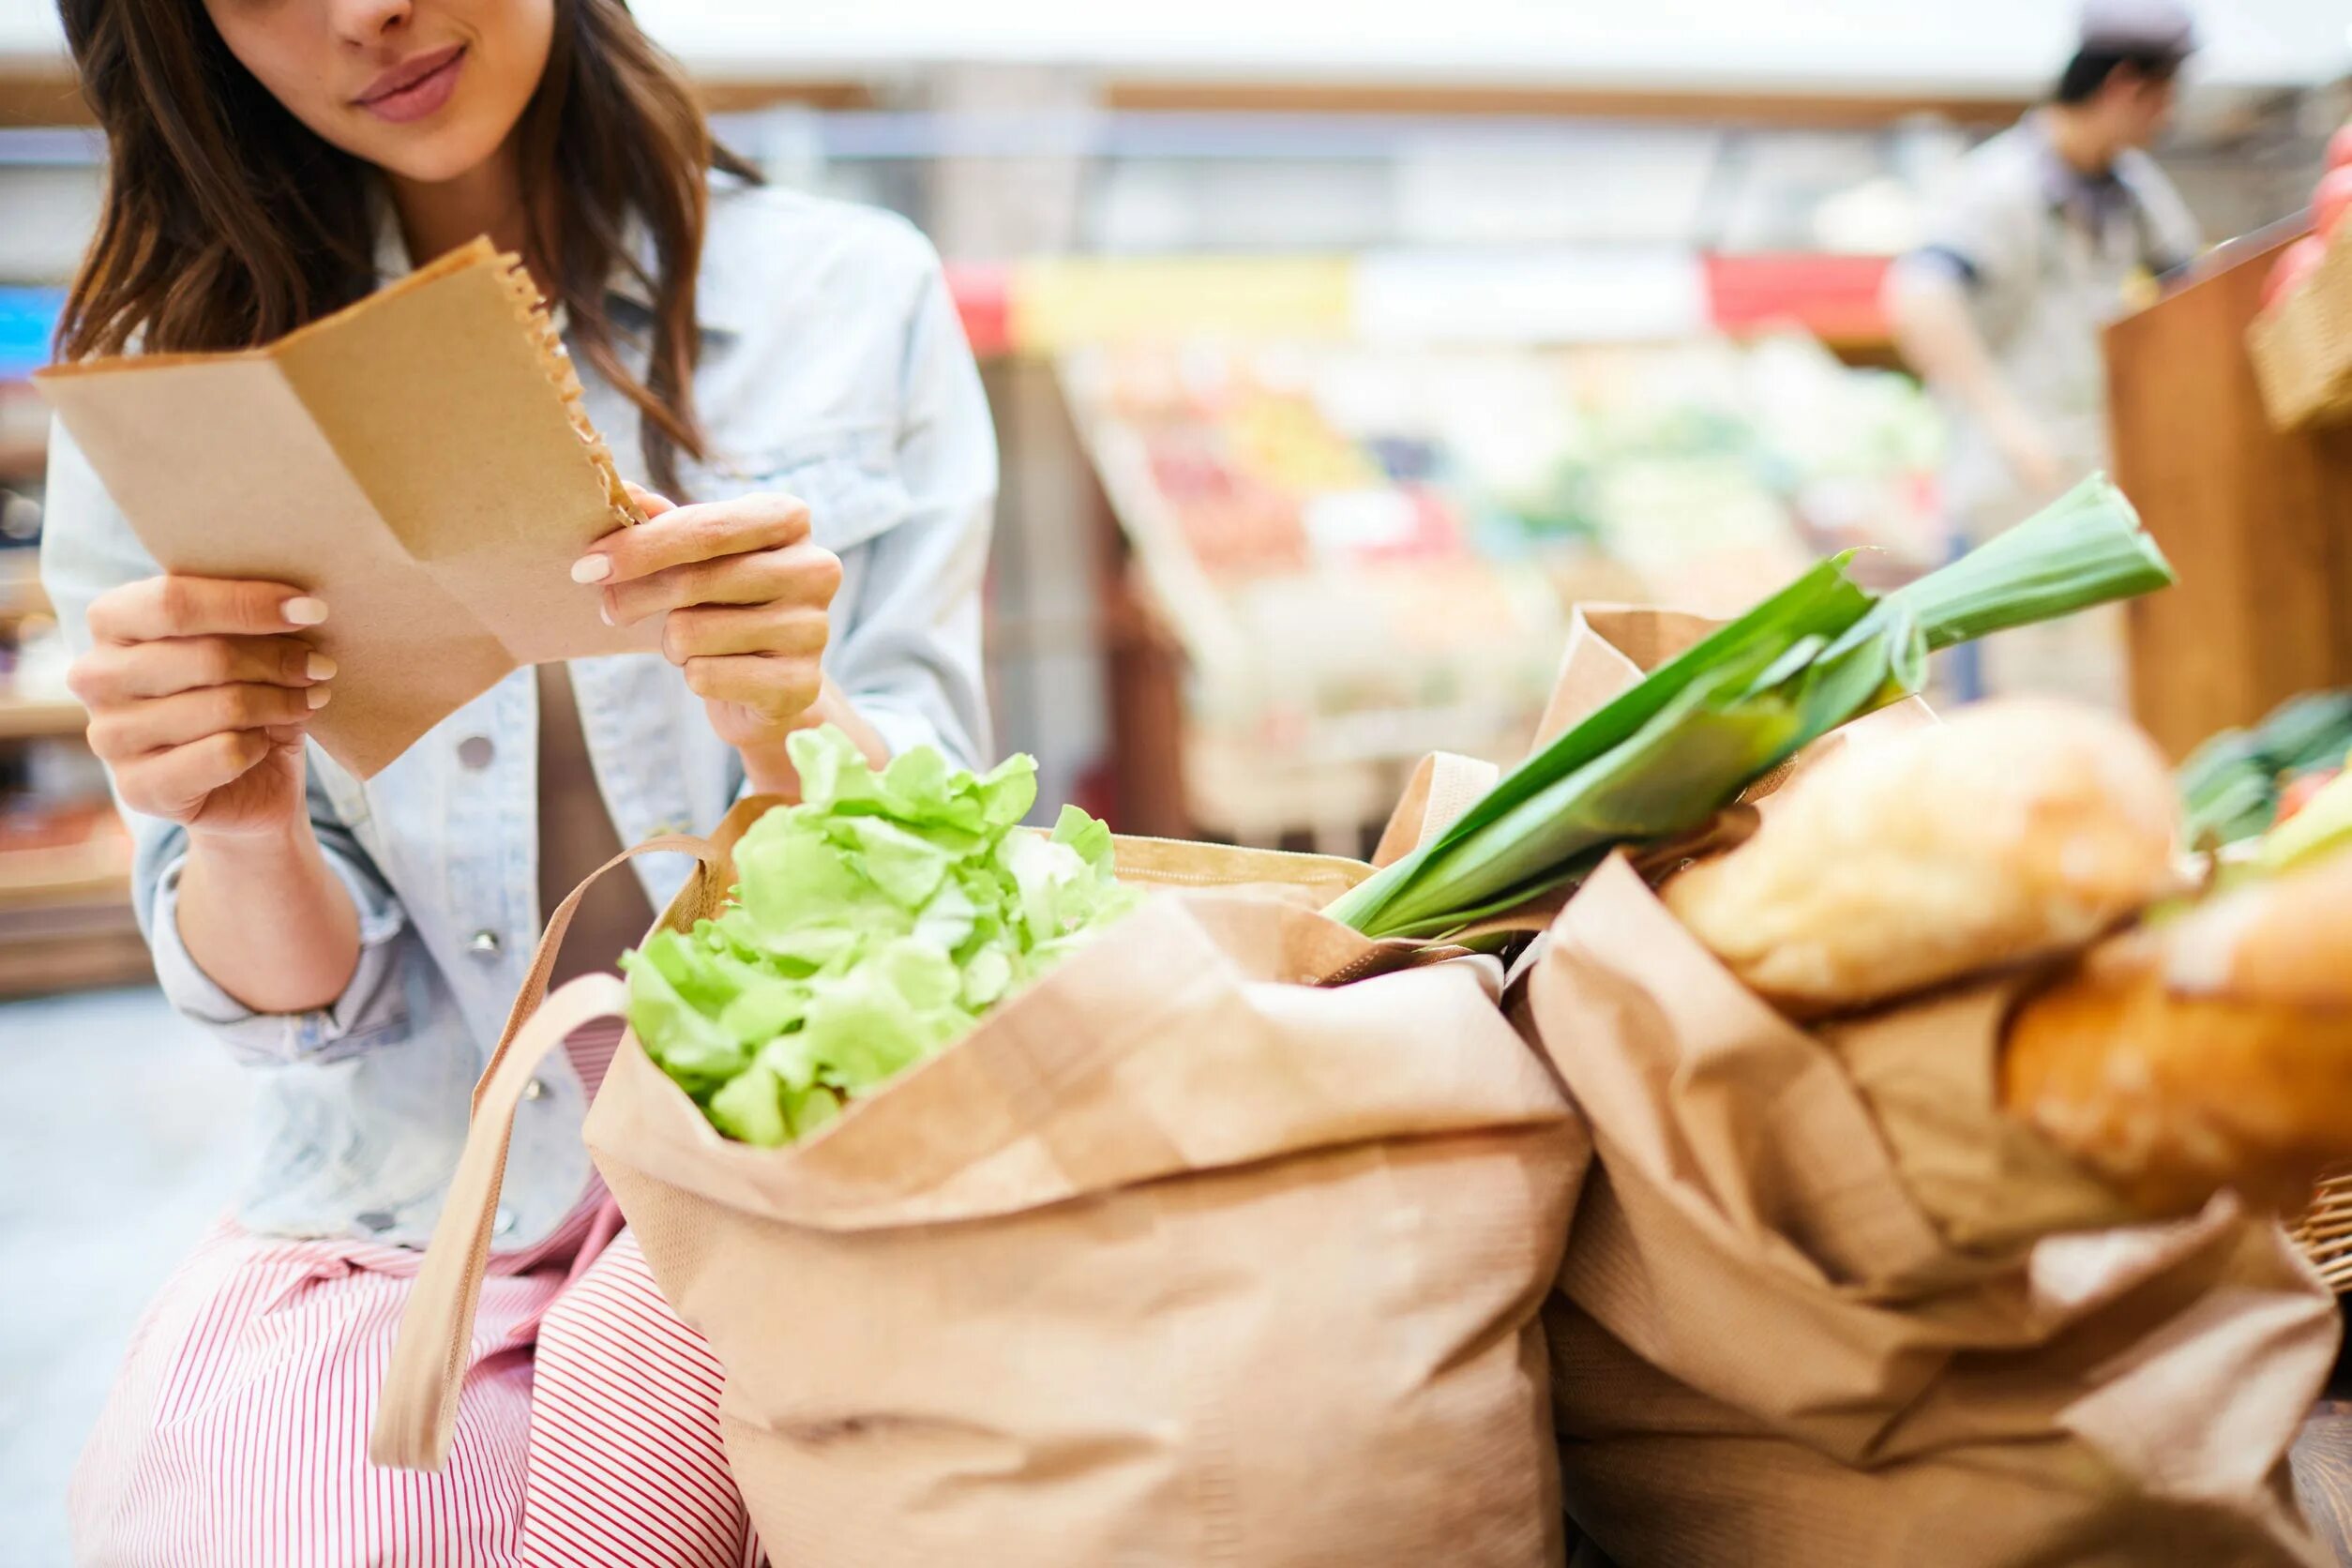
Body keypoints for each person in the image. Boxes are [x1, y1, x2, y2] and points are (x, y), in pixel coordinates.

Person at [39, 1, 995, 1562]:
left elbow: (961, 876)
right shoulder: (171, 387)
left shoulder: (848, 292)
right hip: (404, 1208)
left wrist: (794, 717)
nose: (366, 13)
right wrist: (243, 823)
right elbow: (299, 1015)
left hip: (795, 1147)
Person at [1885, 0, 2202, 707]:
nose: (2166, 119)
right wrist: (2005, 419)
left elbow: (2192, 287)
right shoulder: (1999, 184)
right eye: (2164, 99)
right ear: (2125, 87)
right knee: (2005, 708)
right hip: (2007, 493)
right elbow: (1918, 297)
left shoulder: (2133, 191)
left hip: (2089, 487)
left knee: (2088, 698)